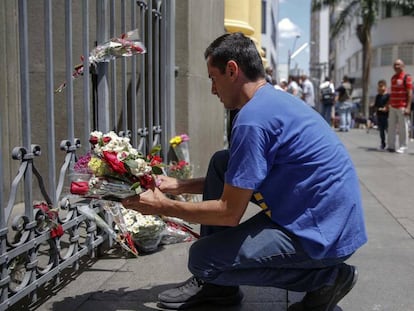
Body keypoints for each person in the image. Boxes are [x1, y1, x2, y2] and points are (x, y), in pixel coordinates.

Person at [122, 32, 367, 311]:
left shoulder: (252, 121)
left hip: (323, 237)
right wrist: (177, 186)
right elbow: (239, 176)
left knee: (202, 259)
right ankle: (217, 288)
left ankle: (327, 278)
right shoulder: (271, 100)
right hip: (324, 219)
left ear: (232, 70)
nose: (213, 89)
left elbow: (229, 211)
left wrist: (162, 207)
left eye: (213, 78)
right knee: (221, 162)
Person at [386, 59, 412, 153]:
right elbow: (392, 93)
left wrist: (408, 107)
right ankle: (391, 146)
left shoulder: (407, 77)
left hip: (402, 106)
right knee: (391, 127)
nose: (396, 66)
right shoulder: (393, 78)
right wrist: (388, 104)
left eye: (398, 65)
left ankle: (403, 146)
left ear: (403, 66)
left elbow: (409, 93)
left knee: (403, 128)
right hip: (393, 106)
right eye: (395, 65)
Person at [372, 79, 389, 150]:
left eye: (381, 86)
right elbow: (376, 105)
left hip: (386, 116)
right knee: (381, 131)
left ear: (385, 87)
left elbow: (389, 105)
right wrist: (375, 110)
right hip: (379, 115)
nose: (380, 88)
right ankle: (383, 143)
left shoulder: (388, 96)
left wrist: (385, 108)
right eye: (379, 86)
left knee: (388, 130)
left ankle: (390, 144)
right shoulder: (378, 96)